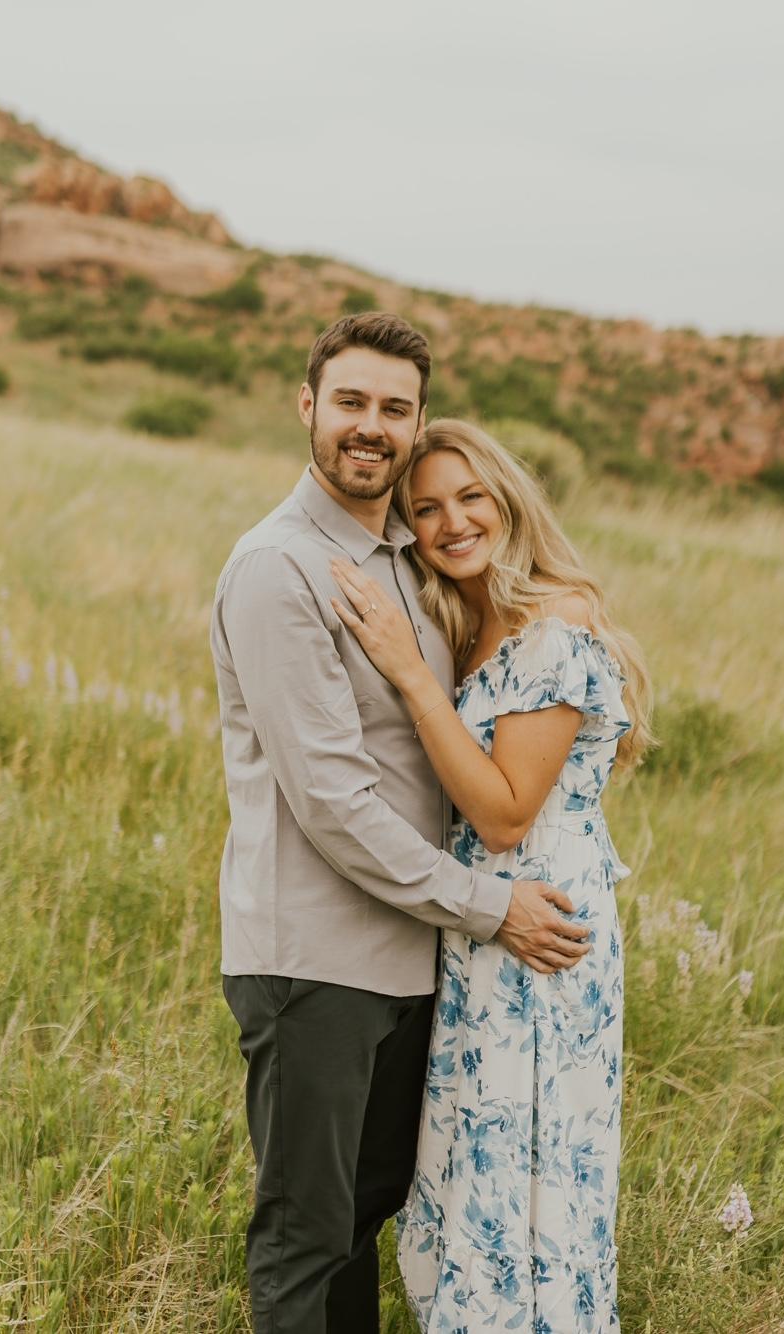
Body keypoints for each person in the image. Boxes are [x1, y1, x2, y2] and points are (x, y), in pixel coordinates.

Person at [210, 312, 593, 1333]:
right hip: (315, 961)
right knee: (305, 1234)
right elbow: (334, 805)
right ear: (307, 406)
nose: (369, 426)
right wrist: (491, 907)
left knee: (364, 1217)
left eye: (393, 407)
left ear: (417, 421)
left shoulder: (409, 561)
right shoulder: (278, 567)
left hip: (411, 958)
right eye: (349, 402)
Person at [328, 418, 655, 1331]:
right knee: (476, 1169)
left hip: (540, 932)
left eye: (471, 497)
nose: (453, 523)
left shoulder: (554, 626)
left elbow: (507, 815)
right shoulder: (471, 625)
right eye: (427, 509)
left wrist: (409, 676)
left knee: (532, 1179)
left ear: (509, 501)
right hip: (481, 927)